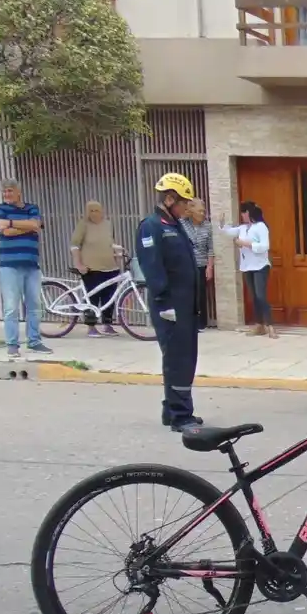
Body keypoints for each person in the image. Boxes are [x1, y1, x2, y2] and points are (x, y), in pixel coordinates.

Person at [138, 173, 203, 433]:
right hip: (171, 307)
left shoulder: (173, 225)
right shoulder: (152, 226)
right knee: (178, 360)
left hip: (186, 306)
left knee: (185, 358)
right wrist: (164, 303)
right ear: (168, 199)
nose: (186, 207)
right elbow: (153, 268)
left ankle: (174, 409)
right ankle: (180, 416)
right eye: (183, 202)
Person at [0, 180, 51, 359]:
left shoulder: (32, 208)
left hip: (32, 265)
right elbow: (7, 232)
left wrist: (10, 223)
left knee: (34, 306)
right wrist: (27, 226)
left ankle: (34, 341)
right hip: (9, 266)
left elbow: (35, 225)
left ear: (19, 192)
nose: (7, 194)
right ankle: (12, 344)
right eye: (4, 192)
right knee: (11, 307)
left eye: (10, 191)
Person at [70, 200, 122, 337]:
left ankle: (108, 325)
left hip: (110, 267)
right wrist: (78, 264)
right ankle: (91, 327)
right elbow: (75, 245)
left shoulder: (108, 224)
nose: (93, 213)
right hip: (91, 269)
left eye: (96, 210)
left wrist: (117, 254)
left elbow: (110, 242)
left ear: (102, 211)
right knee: (92, 298)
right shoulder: (83, 225)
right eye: (90, 210)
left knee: (110, 298)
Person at [221, 202, 273, 337]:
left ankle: (270, 325)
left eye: (245, 212)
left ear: (250, 212)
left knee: (261, 296)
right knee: (254, 296)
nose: (243, 215)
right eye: (242, 212)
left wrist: (245, 244)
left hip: (260, 266)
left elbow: (264, 246)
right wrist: (222, 223)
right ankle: (259, 325)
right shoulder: (242, 228)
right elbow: (227, 232)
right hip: (247, 266)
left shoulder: (261, 227)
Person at [181, 197, 215, 331]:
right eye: (199, 211)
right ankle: (188, 322)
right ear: (191, 211)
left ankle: (201, 323)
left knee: (200, 294)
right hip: (186, 265)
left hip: (201, 264)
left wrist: (210, 266)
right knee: (187, 294)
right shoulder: (182, 224)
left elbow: (211, 248)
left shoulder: (207, 225)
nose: (202, 214)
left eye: (203, 211)